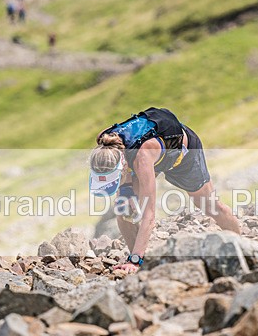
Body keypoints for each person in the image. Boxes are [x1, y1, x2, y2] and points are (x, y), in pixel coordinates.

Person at [89, 107, 241, 272]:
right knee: (123, 209)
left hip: (183, 154)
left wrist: (135, 259)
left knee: (210, 206)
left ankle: (241, 247)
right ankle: (139, 263)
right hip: (154, 153)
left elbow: (149, 216)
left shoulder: (142, 159)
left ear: (123, 164)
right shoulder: (105, 142)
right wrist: (125, 189)